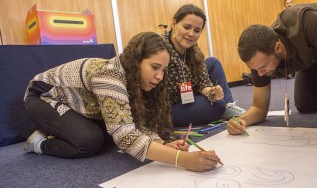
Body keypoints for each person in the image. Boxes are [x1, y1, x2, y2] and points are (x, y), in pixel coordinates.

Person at [23, 32, 221, 172]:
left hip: (82, 107)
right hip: (43, 98)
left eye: (163, 70)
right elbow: (125, 136)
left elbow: (135, 122)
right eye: (155, 67)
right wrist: (183, 160)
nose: (160, 76)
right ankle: (39, 143)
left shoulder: (135, 79)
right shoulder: (109, 76)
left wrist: (162, 143)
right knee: (89, 141)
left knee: (109, 133)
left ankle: (63, 128)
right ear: (136, 61)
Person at [227, 0, 317, 135]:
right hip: (313, 55)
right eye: (256, 69)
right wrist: (241, 120)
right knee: (305, 103)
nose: (260, 74)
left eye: (263, 67)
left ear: (277, 48)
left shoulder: (305, 22)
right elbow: (259, 108)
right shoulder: (259, 61)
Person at [162, 4, 245, 126]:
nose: (191, 34)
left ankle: (228, 105)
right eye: (186, 27)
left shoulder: (193, 48)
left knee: (213, 62)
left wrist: (211, 92)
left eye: (197, 30)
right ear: (174, 24)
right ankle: (222, 108)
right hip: (168, 105)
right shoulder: (160, 49)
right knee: (218, 106)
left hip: (189, 94)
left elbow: (202, 81)